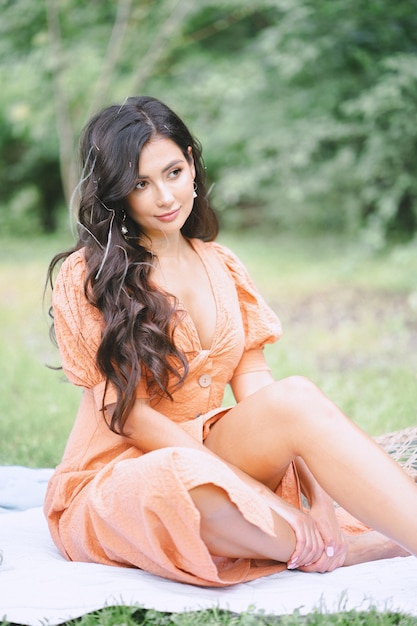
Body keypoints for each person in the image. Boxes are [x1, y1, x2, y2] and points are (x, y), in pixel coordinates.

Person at [44, 96, 416, 587]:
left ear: (193, 164)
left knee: (296, 395)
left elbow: (258, 387)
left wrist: (318, 497)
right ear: (118, 193)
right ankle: (341, 550)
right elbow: (128, 417)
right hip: (118, 478)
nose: (164, 197)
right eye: (140, 184)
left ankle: (336, 535)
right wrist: (253, 492)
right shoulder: (88, 275)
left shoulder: (223, 265)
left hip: (211, 450)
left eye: (173, 171)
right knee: (179, 480)